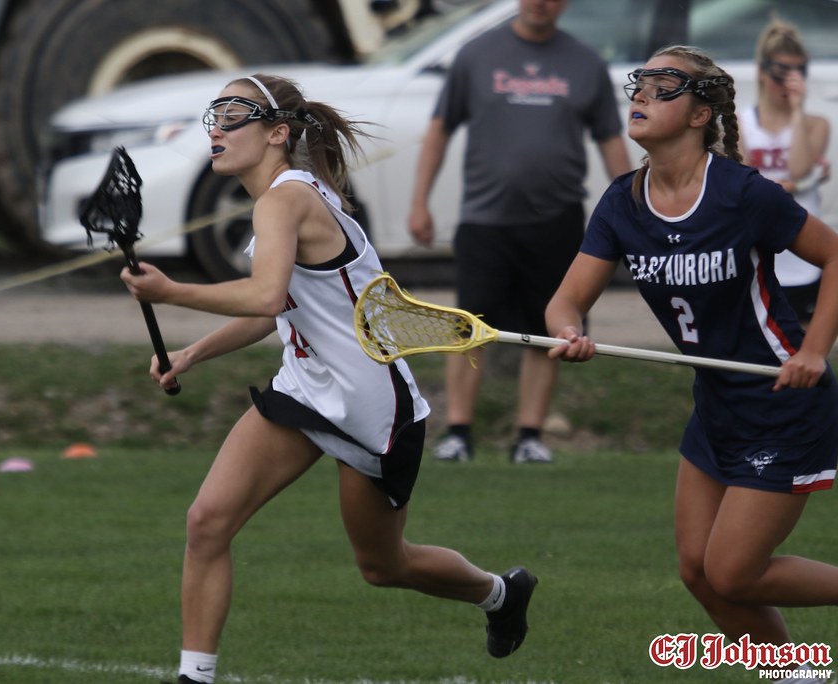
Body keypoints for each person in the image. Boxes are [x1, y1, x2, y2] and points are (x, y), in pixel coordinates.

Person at [120, 73, 538, 684]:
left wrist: (171, 291)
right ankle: (195, 677)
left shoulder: (285, 199)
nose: (216, 126)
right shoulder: (280, 201)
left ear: (276, 133)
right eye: (213, 112)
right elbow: (280, 313)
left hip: (372, 405)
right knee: (207, 522)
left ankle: (501, 594)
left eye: (234, 113)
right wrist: (192, 354)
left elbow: (263, 298)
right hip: (304, 387)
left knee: (383, 567)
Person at [545, 45, 838, 681]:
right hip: (717, 406)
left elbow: (835, 256)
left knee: (733, 571)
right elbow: (566, 301)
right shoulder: (623, 202)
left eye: (663, 85)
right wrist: (569, 332)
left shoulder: (743, 194)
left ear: (702, 112)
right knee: (698, 572)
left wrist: (814, 349)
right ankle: (798, 676)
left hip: (783, 402)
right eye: (639, 83)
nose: (641, 95)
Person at [408, 0, 631, 464]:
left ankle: (529, 436)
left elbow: (611, 138)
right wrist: (419, 202)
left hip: (558, 218)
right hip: (484, 219)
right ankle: (458, 434)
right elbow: (439, 129)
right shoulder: (476, 54)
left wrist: (633, 212)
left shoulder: (585, 62)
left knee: (546, 329)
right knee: (467, 329)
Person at [739, 18, 831, 322]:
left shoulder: (816, 125)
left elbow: (799, 166)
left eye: (798, 72)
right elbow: (744, 182)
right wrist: (790, 184)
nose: (789, 81)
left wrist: (795, 109)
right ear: (762, 72)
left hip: (806, 257)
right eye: (781, 72)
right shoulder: (740, 124)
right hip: (760, 251)